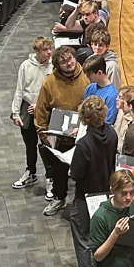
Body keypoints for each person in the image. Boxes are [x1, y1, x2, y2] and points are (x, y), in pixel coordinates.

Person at [62, 95, 118, 267]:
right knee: (103, 237)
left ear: (84, 117)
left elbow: (76, 174)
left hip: (85, 198)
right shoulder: (112, 134)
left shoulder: (84, 144)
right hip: (106, 194)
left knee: (83, 239)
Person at [35, 45, 87, 210]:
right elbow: (41, 110)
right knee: (59, 171)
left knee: (85, 171)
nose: (69, 63)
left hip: (83, 134)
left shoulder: (87, 77)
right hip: (60, 136)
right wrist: (43, 134)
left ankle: (84, 202)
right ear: (57, 66)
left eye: (70, 58)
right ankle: (59, 198)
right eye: (64, 62)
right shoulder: (49, 83)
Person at [9, 37, 54, 189]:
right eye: (45, 50)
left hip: (45, 111)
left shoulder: (53, 66)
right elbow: (19, 90)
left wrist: (40, 105)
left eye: (50, 49)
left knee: (47, 145)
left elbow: (55, 92)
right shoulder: (25, 66)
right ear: (36, 51)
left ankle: (50, 178)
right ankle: (31, 172)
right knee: (30, 145)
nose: (49, 52)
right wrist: (15, 113)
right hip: (27, 109)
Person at [82, 54, 118, 123]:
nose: (87, 77)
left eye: (89, 74)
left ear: (99, 73)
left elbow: (109, 122)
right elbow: (84, 112)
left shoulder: (112, 96)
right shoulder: (89, 88)